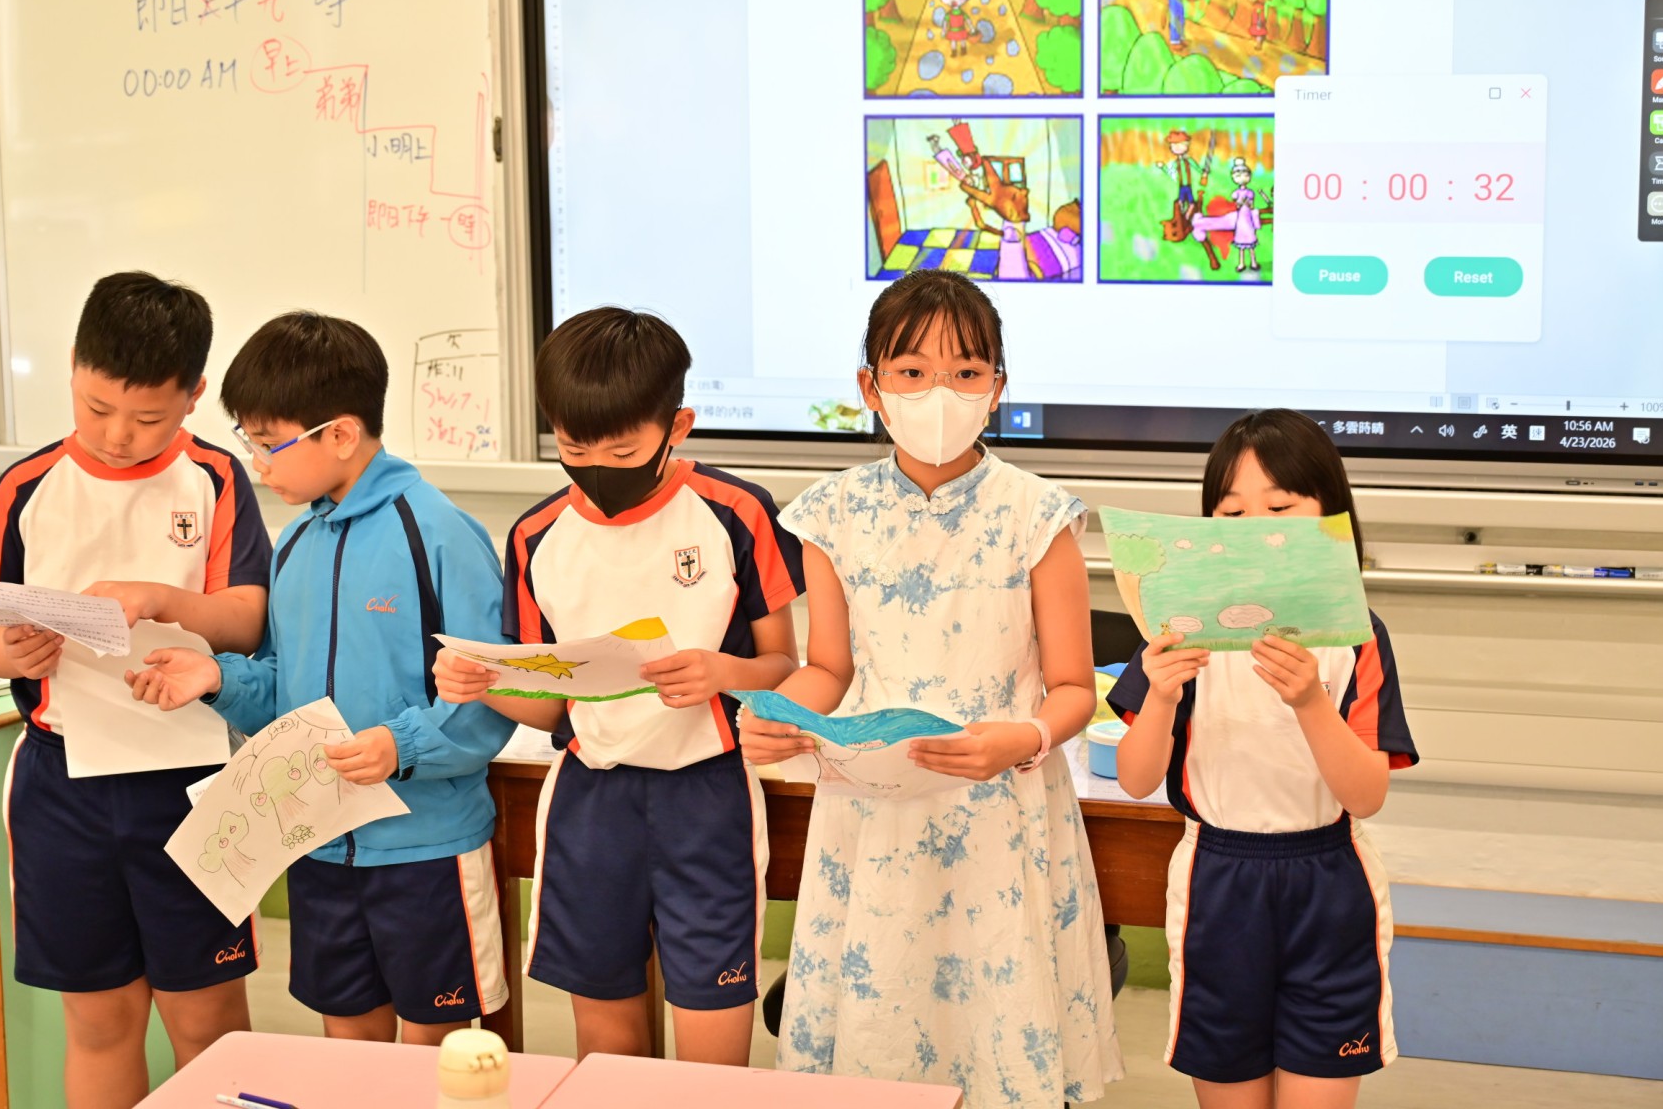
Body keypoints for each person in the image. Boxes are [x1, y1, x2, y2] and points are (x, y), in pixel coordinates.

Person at [740, 269, 1123, 1106]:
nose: (938, 392)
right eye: (911, 371)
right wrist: (779, 717)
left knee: (998, 1041)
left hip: (1000, 808)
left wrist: (1023, 738)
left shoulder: (1039, 515)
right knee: (879, 1028)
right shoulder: (831, 513)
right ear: (870, 386)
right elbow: (829, 667)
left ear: (998, 388)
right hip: (875, 812)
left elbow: (1071, 685)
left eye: (965, 371)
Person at [122, 311, 517, 1047]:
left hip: (425, 849)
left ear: (339, 434)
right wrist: (216, 678)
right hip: (316, 844)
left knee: (433, 1052)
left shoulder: (438, 534)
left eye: (267, 442)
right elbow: (285, 693)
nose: (257, 463)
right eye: (248, 440)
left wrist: (401, 746)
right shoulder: (297, 540)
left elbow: (493, 701)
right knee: (347, 1049)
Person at [433, 306, 805, 1066]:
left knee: (712, 1056)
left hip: (706, 797)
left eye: (623, 449)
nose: (598, 464)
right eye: (574, 447)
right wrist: (482, 682)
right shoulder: (536, 535)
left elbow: (784, 668)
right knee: (607, 1054)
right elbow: (550, 704)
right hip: (591, 802)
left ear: (678, 427)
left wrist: (721, 672)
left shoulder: (736, 513)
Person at [0, 272, 269, 1109]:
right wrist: (12, 652)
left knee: (208, 1021)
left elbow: (245, 619)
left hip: (191, 779)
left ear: (194, 395)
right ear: (73, 368)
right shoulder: (25, 486)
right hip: (62, 787)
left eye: (149, 418)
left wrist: (160, 599)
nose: (119, 435)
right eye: (96, 408)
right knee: (99, 1022)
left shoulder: (215, 478)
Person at [1109, 408, 1419, 1109]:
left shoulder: (1358, 635)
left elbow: (1366, 795)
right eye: (1231, 512)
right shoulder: (1180, 629)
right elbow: (1135, 779)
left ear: (1329, 515)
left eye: (1278, 508)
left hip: (1329, 883)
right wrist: (1160, 696)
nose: (1253, 528)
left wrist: (1310, 700)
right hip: (1219, 881)